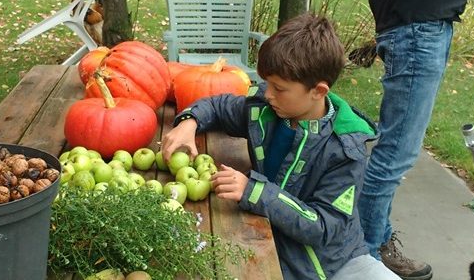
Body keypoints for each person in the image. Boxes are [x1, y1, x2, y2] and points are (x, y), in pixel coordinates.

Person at [162, 14, 400, 279]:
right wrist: (188, 121)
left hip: (331, 263)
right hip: (273, 241)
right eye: (268, 84)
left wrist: (254, 192)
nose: (267, 94)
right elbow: (218, 106)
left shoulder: (345, 152)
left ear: (318, 91)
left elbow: (323, 227)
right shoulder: (267, 110)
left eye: (279, 88)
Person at [358, 0, 474, 279]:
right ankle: (362, 259)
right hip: (417, 29)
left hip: (428, 25)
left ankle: (375, 245)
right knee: (395, 154)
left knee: (396, 151)